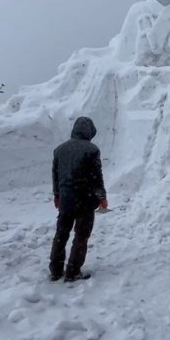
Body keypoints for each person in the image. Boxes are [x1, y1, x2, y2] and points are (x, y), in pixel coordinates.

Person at [49, 116, 107, 282]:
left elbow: (56, 176)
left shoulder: (59, 150)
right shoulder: (92, 150)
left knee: (61, 234)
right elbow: (96, 177)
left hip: (66, 200)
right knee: (81, 236)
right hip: (85, 200)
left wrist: (57, 195)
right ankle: (73, 271)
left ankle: (55, 270)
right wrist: (102, 197)